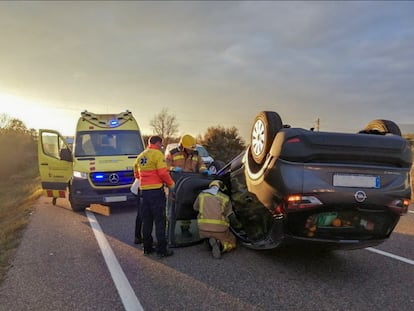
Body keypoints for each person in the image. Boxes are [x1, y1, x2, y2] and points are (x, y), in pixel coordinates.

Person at [134, 135, 175, 257]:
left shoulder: (140, 156)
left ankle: (147, 248)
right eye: (161, 145)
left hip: (143, 193)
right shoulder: (157, 154)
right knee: (160, 220)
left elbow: (136, 174)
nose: (161, 147)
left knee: (147, 221)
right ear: (158, 143)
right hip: (156, 192)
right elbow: (163, 173)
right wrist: (171, 184)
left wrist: (145, 181)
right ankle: (162, 250)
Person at [166, 134, 210, 238]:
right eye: (188, 148)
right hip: (175, 184)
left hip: (190, 183)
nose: (190, 150)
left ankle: (185, 229)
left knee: (187, 206)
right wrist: (172, 169)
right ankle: (169, 231)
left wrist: (203, 170)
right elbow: (165, 166)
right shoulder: (172, 153)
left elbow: (201, 164)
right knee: (172, 207)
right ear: (182, 146)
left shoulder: (196, 154)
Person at [193, 180, 237, 259]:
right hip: (220, 230)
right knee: (232, 242)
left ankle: (208, 240)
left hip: (203, 229)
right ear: (221, 188)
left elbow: (195, 208)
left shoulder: (201, 195)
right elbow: (230, 215)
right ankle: (221, 246)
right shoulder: (225, 198)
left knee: (207, 233)